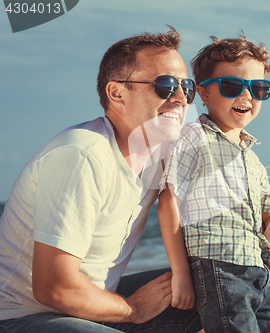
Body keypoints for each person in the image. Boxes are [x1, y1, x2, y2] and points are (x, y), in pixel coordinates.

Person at [0, 27, 203, 333]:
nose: (180, 98)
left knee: (219, 289)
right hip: (23, 317)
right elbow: (54, 288)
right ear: (117, 93)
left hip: (94, 306)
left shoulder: (158, 153)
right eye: (165, 85)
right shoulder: (81, 155)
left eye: (186, 87)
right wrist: (132, 309)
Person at [157, 34, 270, 333]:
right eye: (233, 86)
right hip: (218, 266)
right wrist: (181, 273)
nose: (247, 96)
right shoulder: (194, 138)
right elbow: (169, 205)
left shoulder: (252, 157)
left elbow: (267, 211)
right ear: (204, 94)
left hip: (257, 270)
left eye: (258, 88)